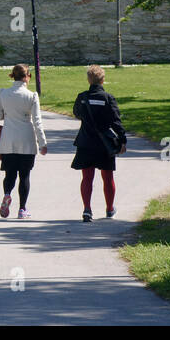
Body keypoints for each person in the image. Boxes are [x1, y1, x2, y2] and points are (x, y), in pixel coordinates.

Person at [72, 65, 127, 222]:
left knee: (87, 178)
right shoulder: (108, 98)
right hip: (104, 144)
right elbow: (116, 121)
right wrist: (122, 139)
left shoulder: (82, 97)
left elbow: (77, 113)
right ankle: (109, 209)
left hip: (86, 142)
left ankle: (87, 209)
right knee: (108, 177)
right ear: (103, 79)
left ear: (89, 79)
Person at [0, 63, 48, 219]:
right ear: (27, 77)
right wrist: (42, 143)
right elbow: (37, 121)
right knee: (24, 175)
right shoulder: (32, 96)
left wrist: (9, 114)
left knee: (9, 174)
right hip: (26, 140)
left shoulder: (3, 93)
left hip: (8, 139)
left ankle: (6, 194)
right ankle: (22, 209)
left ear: (13, 76)